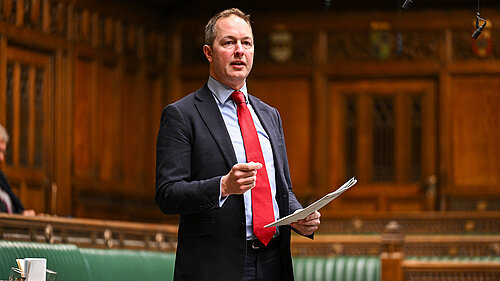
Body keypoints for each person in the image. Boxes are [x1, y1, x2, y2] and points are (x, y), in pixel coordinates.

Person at [155, 8, 320, 281]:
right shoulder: (182, 115)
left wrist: (299, 217)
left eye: (247, 43)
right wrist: (222, 187)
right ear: (208, 52)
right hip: (216, 266)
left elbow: (281, 189)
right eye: (229, 42)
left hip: (274, 262)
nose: (239, 50)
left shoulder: (270, 115)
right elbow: (167, 194)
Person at [0, 124, 35, 215]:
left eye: (3, 152)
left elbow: (15, 209)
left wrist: (25, 215)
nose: (2, 158)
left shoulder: (1, 177)